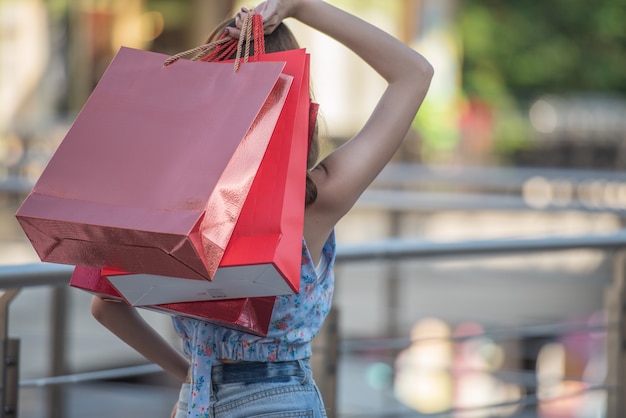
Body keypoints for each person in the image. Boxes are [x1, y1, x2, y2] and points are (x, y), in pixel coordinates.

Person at [90, 0, 433, 417]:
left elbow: (106, 307)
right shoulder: (313, 199)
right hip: (277, 399)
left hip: (193, 402)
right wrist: (302, 7)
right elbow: (414, 74)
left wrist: (192, 379)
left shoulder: (170, 203)